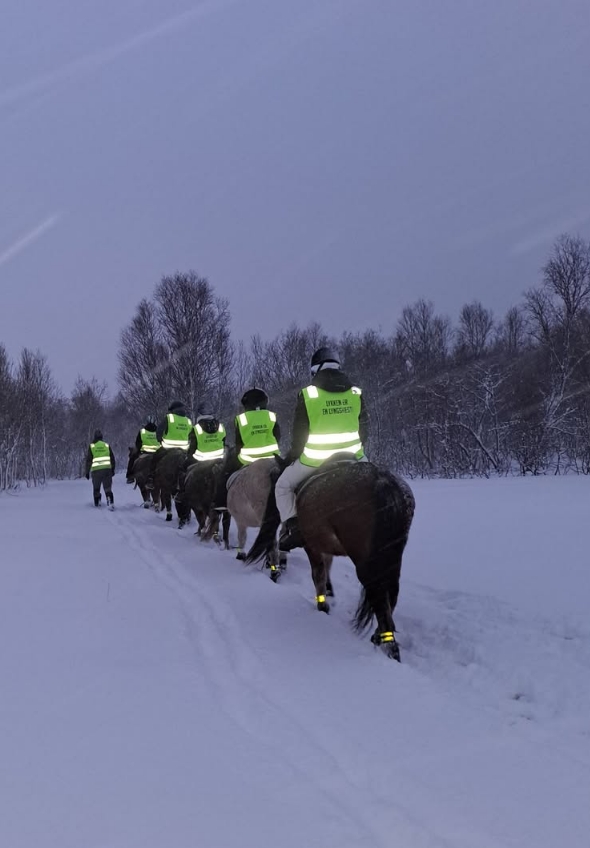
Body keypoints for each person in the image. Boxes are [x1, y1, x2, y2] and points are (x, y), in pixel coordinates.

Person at [276, 347, 369, 551]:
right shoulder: (356, 392)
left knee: (282, 486)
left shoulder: (308, 394)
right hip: (355, 457)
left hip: (316, 460)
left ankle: (295, 527)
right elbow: (364, 429)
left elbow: (299, 436)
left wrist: (293, 456)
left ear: (315, 370)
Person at [213, 387, 280, 511]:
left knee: (225, 474)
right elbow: (278, 436)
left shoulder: (241, 419)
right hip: (272, 459)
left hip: (247, 460)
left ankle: (220, 503)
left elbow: (239, 442)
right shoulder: (271, 416)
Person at [175, 408, 227, 502]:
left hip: (201, 460)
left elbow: (192, 448)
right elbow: (223, 442)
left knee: (182, 469)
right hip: (219, 459)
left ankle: (181, 493)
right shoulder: (220, 426)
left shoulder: (196, 428)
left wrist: (189, 456)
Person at [146, 400, 192, 489]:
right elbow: (191, 434)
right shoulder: (188, 421)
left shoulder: (169, 418)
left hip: (168, 448)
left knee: (155, 459)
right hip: (184, 450)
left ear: (172, 410)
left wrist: (160, 440)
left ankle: (150, 479)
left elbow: (159, 430)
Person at [85, 429, 116, 508]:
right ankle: (110, 501)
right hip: (107, 470)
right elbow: (112, 458)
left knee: (96, 488)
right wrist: (112, 469)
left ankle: (97, 501)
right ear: (102, 437)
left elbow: (89, 460)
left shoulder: (92, 446)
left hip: (96, 471)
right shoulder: (106, 445)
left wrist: (87, 472)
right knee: (108, 488)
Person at [126, 416, 159, 482]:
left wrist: (138, 449)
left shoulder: (142, 431)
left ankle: (130, 476)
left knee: (132, 458)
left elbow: (138, 443)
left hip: (145, 452)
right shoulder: (158, 430)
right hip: (157, 453)